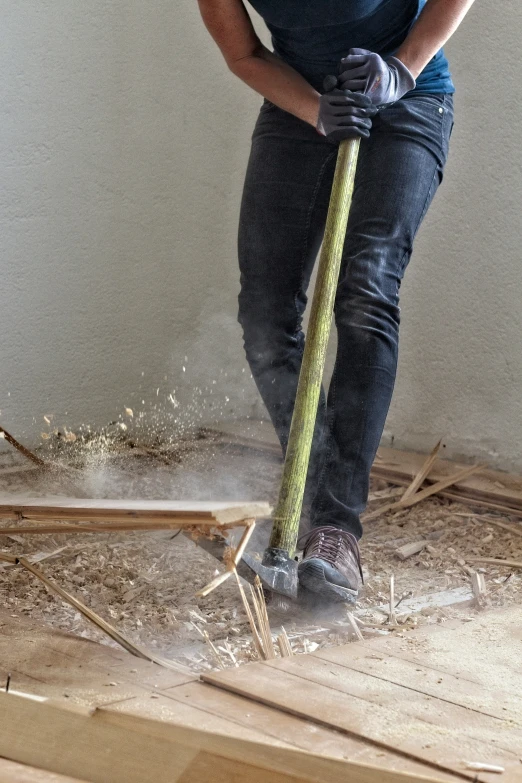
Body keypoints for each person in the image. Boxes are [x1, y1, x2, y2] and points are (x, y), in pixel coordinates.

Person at [197, 0, 476, 602]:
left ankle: (335, 530)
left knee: (365, 289)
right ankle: (314, 499)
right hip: (303, 101)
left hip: (410, 97)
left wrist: (400, 69)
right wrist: (318, 112)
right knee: (266, 312)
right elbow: (244, 52)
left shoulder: (407, 80)